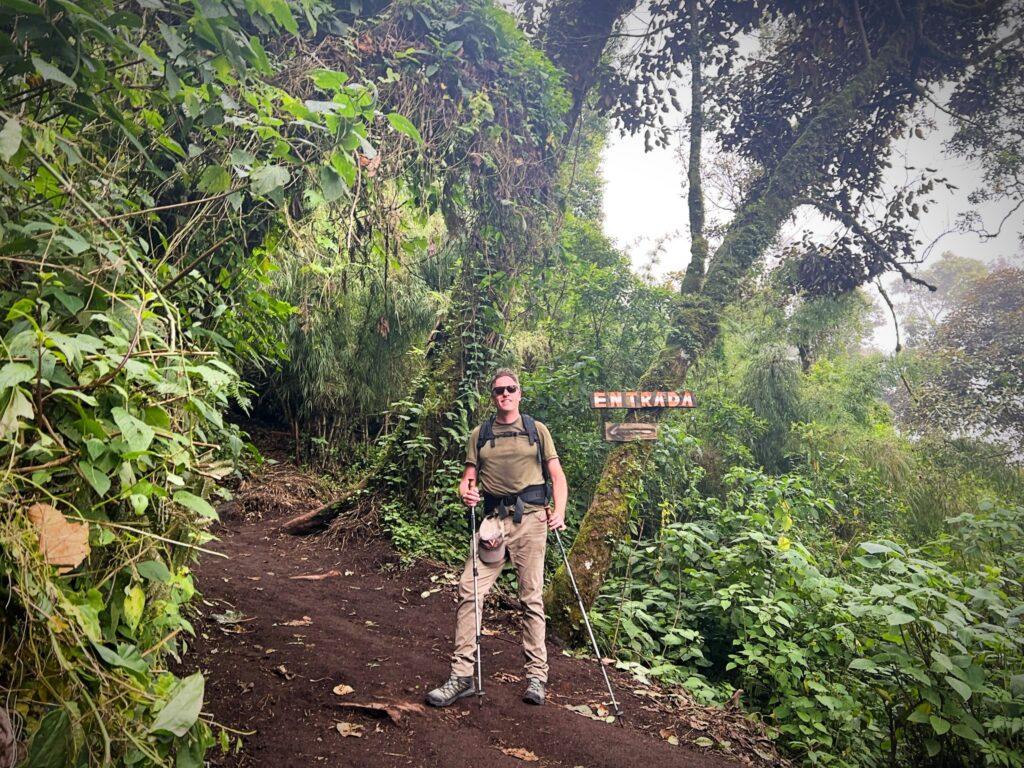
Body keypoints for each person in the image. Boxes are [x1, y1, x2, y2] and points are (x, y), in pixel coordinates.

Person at [426, 368, 567, 707]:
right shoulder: (481, 433)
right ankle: (461, 676)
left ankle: (536, 676)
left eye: (510, 389)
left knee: (530, 597)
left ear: (520, 393)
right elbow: (468, 478)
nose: (505, 394)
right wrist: (466, 493)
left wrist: (558, 511)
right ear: (493, 396)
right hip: (492, 522)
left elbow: (557, 476)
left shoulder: (537, 430)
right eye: (498, 390)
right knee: (468, 589)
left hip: (531, 520)